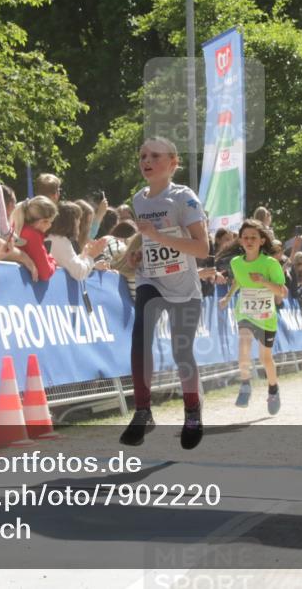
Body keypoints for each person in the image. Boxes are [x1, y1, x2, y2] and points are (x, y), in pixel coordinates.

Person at [119, 137, 208, 450]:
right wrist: (139, 254)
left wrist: (157, 237)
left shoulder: (184, 197)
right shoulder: (138, 199)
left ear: (173, 163)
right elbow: (149, 242)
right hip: (151, 281)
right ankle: (143, 411)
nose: (146, 161)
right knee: (140, 336)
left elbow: (202, 248)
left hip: (184, 287)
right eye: (142, 155)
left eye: (155, 156)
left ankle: (192, 412)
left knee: (181, 350)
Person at [218, 219, 287, 414]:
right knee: (244, 347)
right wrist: (227, 296)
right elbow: (239, 282)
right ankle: (246, 384)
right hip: (246, 313)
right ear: (240, 241)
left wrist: (263, 281)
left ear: (262, 241)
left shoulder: (271, 263)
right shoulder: (236, 262)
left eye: (253, 238)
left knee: (265, 358)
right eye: (245, 237)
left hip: (266, 317)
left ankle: (273, 389)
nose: (249, 241)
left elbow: (282, 291)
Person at [45, 201, 105, 281]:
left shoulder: (57, 239)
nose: (79, 223)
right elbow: (79, 273)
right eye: (78, 219)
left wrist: (84, 254)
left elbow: (70, 263)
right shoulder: (61, 241)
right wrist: (91, 256)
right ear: (71, 221)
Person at [11, 195, 58, 281]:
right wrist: (52, 261)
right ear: (42, 221)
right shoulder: (32, 236)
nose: (50, 225)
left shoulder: (18, 227)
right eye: (50, 221)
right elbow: (45, 273)